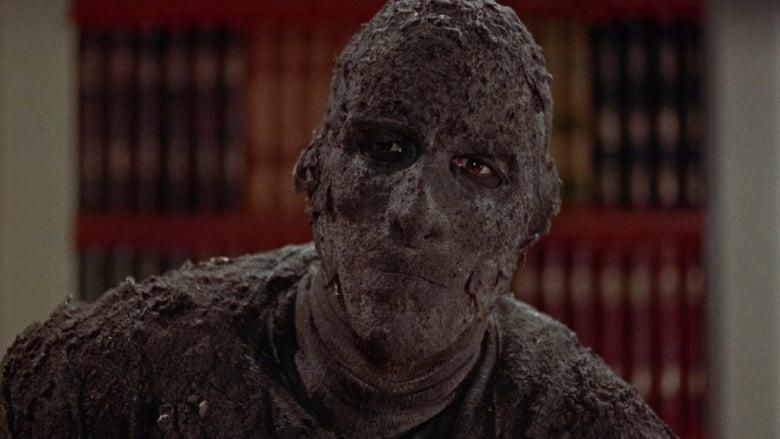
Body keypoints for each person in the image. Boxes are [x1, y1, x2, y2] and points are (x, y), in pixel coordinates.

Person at [0, 0, 675, 437]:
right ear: (314, 172)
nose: (415, 211)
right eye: (384, 149)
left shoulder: (588, 424)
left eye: (476, 169)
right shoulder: (106, 377)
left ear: (531, 219)